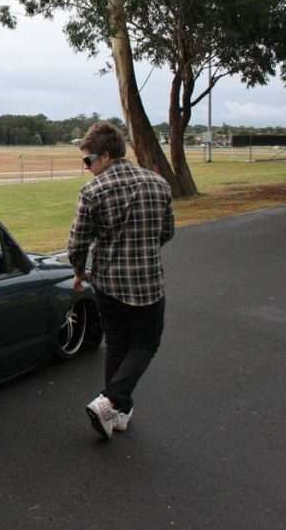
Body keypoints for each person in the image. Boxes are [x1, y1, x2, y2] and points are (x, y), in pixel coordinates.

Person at [67, 122, 174, 441]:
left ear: (108, 156)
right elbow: (167, 232)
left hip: (108, 283)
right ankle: (114, 405)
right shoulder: (158, 183)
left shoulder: (92, 192)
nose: (86, 168)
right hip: (148, 283)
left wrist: (78, 271)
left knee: (118, 343)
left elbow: (77, 242)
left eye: (88, 161)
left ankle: (112, 405)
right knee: (145, 343)